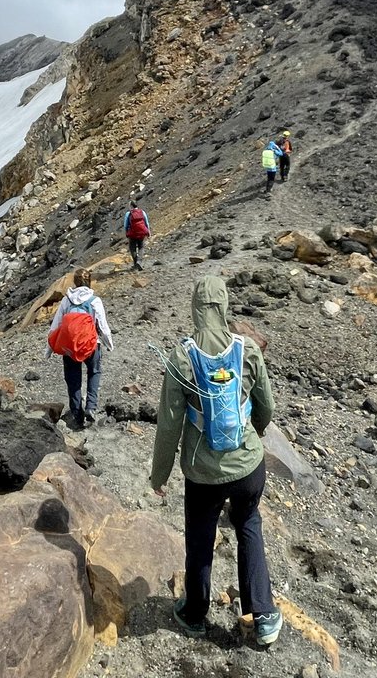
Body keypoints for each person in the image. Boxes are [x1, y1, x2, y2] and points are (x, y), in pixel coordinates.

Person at [149, 274, 283, 647]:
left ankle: (194, 614)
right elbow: (266, 407)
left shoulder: (182, 357)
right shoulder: (248, 350)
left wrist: (159, 475)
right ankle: (265, 616)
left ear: (194, 308)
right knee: (248, 526)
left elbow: (169, 425)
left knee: (200, 538)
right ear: (224, 307)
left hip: (203, 472)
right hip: (248, 467)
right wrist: (251, 432)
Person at [45, 269, 113, 427]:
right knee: (94, 372)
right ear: (89, 282)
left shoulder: (66, 301)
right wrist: (109, 344)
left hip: (70, 347)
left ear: (75, 283)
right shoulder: (95, 300)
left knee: (73, 379)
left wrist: (48, 350)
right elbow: (102, 326)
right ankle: (91, 407)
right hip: (91, 344)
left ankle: (77, 413)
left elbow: (56, 326)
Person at [124, 200, 151, 270]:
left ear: (131, 206)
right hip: (142, 233)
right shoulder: (142, 212)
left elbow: (126, 225)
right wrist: (148, 231)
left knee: (132, 248)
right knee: (141, 247)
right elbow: (146, 223)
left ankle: (136, 263)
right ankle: (139, 262)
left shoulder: (128, 214)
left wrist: (127, 233)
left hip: (132, 234)